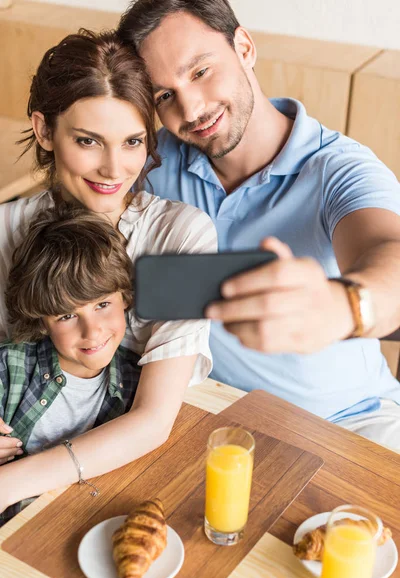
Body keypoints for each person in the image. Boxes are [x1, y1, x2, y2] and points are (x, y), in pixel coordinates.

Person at [117, 0, 400, 449]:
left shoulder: (339, 170)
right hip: (209, 411)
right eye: (164, 95)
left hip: (350, 420)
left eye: (200, 72)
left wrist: (345, 306)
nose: (191, 109)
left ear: (244, 47)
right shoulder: (147, 162)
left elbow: (389, 252)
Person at [0, 31, 217, 485]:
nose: (114, 169)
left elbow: (154, 420)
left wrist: (9, 486)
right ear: (44, 130)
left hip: (141, 467)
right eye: (88, 141)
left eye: (133, 142)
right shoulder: (8, 230)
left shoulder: (180, 237)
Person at [0, 205, 143, 524]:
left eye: (102, 304)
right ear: (42, 322)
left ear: (125, 296)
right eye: (67, 316)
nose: (92, 331)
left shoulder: (140, 387)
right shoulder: (10, 367)